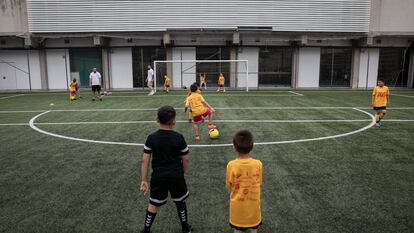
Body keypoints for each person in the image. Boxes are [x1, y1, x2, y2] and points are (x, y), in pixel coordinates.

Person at [140, 106, 192, 233]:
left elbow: (145, 160)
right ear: (174, 121)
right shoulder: (179, 137)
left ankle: (146, 230)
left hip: (159, 176)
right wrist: (182, 172)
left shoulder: (151, 138)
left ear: (157, 119)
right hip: (176, 175)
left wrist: (144, 180)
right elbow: (186, 159)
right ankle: (185, 228)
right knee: (180, 201)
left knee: (153, 203)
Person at [226, 129, 262, 233]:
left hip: (237, 209)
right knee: (253, 230)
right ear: (253, 146)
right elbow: (259, 182)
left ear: (234, 147)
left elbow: (229, 185)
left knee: (237, 231)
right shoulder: (258, 164)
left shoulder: (231, 165)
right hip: (253, 208)